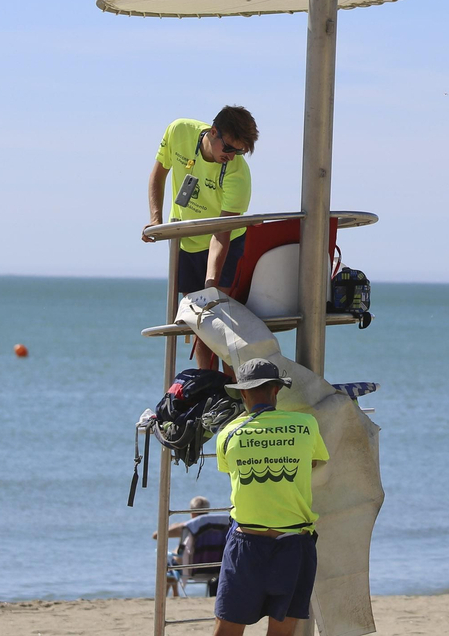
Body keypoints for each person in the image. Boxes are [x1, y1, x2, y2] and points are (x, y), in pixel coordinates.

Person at [211, 358, 327, 636]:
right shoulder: (306, 425)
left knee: (227, 629)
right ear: (276, 391)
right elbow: (313, 463)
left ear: (243, 393)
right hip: (295, 544)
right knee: (282, 632)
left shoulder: (228, 434)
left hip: (247, 545)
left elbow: (233, 473)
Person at [145, 108, 258, 365]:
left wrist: (210, 286)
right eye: (229, 148)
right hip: (187, 240)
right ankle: (207, 388)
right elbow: (158, 173)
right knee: (200, 326)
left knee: (220, 325)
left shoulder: (237, 174)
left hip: (226, 243)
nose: (231, 156)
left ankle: (234, 393)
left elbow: (222, 233)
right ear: (213, 131)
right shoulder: (179, 130)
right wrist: (155, 220)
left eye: (239, 152)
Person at [154, 495, 230, 596]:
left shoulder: (189, 526)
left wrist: (176, 525)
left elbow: (156, 535)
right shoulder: (221, 525)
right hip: (216, 567)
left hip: (190, 567)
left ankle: (172, 594)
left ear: (192, 512)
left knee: (169, 558)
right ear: (208, 511)